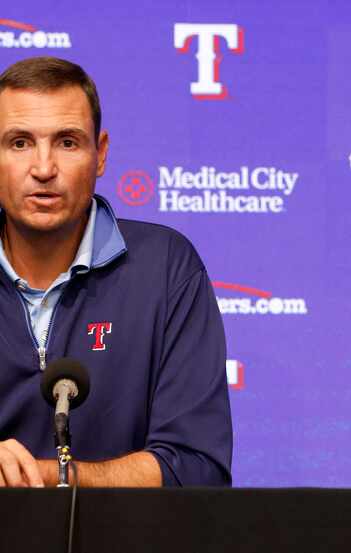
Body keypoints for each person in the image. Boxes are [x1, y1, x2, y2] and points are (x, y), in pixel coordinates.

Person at [0, 56, 232, 487]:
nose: (44, 168)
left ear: (100, 154)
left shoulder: (166, 268)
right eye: (19, 143)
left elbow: (198, 470)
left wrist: (42, 477)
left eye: (67, 142)